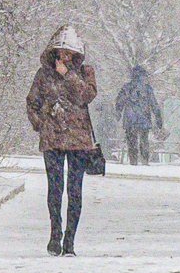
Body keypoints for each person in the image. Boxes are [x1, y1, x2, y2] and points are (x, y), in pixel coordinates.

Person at [25, 24, 98, 255]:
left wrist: (68, 76)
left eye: (68, 52)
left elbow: (87, 95)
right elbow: (32, 103)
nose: (64, 56)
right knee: (55, 190)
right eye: (60, 51)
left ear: (76, 54)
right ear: (54, 52)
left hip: (78, 142)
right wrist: (41, 125)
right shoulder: (43, 75)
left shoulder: (86, 73)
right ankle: (55, 234)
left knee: (74, 191)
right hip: (52, 141)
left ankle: (70, 241)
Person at [116, 65, 163, 166]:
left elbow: (119, 102)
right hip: (144, 119)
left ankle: (133, 161)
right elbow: (154, 104)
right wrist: (158, 118)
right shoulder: (147, 88)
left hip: (130, 119)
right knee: (144, 140)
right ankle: (144, 161)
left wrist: (118, 113)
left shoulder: (127, 87)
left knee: (131, 142)